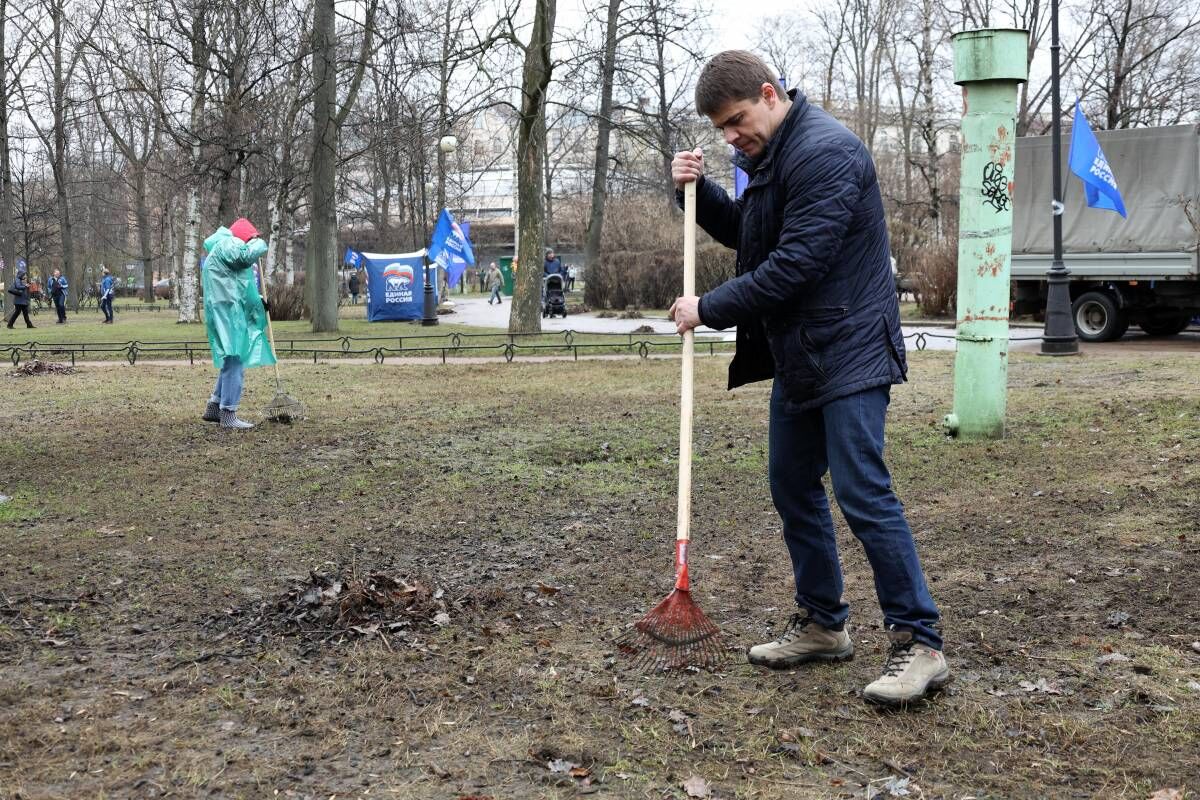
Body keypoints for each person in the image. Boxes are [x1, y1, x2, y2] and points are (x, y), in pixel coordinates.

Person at [667, 50, 946, 706]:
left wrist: (708, 308)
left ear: (769, 94)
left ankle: (921, 643)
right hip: (804, 354)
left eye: (737, 121)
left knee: (862, 491)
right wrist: (694, 191)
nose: (731, 137)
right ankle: (824, 624)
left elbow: (796, 264)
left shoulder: (825, 152)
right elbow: (752, 236)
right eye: (721, 131)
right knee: (792, 484)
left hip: (849, 349)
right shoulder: (769, 158)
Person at [200, 217, 275, 430]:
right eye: (250, 239)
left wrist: (259, 303)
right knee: (235, 359)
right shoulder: (229, 243)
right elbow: (245, 256)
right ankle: (228, 413)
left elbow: (238, 288)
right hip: (227, 314)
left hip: (224, 311)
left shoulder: (221, 251)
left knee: (231, 358)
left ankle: (214, 406)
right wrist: (258, 243)